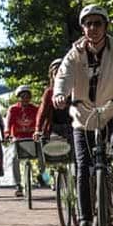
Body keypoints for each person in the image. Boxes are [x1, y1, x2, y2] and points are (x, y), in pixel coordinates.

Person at [52, 4, 113, 226]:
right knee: (83, 167)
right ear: (82, 28)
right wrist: (60, 94)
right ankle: (86, 222)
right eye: (88, 23)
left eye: (97, 23)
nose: (93, 28)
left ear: (106, 26)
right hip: (84, 116)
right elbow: (63, 76)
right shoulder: (74, 53)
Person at [33, 58, 72, 190]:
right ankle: (53, 176)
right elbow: (42, 113)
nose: (58, 74)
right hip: (54, 128)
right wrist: (38, 129)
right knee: (51, 152)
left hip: (71, 126)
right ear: (52, 75)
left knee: (76, 155)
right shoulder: (49, 92)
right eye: (56, 72)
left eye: (61, 71)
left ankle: (75, 180)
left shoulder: (73, 90)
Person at [5, 85, 39, 197]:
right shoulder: (13, 109)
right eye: (22, 96)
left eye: (27, 96)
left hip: (32, 138)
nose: (25, 99)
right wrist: (7, 134)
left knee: (42, 155)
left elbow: (40, 122)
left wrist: (40, 132)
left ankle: (46, 178)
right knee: (14, 158)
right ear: (18, 97)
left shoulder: (35, 109)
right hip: (18, 139)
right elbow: (8, 124)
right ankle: (18, 184)